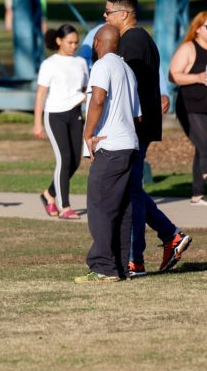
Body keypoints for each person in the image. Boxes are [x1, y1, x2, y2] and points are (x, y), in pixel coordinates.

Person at [103, 0, 191, 275]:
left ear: (123, 14)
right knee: (132, 190)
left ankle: (136, 258)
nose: (105, 18)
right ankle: (169, 236)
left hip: (134, 129)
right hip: (136, 128)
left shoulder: (133, 42)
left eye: (108, 13)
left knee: (131, 193)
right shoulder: (135, 40)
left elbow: (132, 91)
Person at [75, 25, 139, 283]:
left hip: (109, 145)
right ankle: (120, 267)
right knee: (122, 208)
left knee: (100, 207)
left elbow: (98, 99)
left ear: (100, 41)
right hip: (129, 143)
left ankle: (103, 266)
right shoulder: (127, 69)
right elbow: (138, 113)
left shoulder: (102, 66)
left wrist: (87, 134)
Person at [33, 24, 87, 220]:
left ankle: (49, 194)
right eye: (70, 42)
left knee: (75, 162)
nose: (74, 46)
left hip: (75, 115)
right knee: (64, 159)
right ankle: (65, 207)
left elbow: (84, 88)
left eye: (76, 43)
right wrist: (37, 123)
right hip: (55, 115)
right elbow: (40, 95)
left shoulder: (81, 62)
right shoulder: (49, 64)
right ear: (59, 41)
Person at [168, 11, 207, 205]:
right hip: (191, 106)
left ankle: (197, 193)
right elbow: (173, 75)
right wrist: (197, 78)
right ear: (197, 29)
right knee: (206, 145)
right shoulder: (188, 48)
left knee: (205, 146)